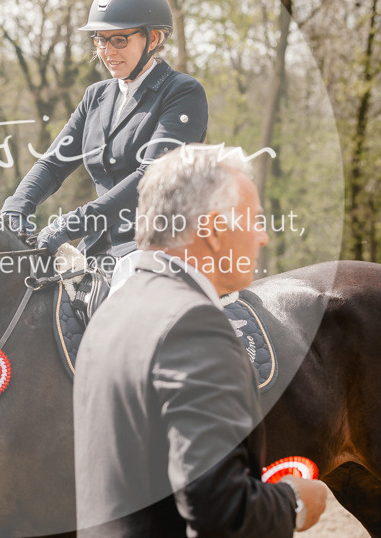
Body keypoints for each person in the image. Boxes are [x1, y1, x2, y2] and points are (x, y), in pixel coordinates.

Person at [73, 145, 328, 536]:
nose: (263, 238)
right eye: (254, 221)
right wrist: (293, 503)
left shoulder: (112, 312)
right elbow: (219, 511)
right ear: (210, 231)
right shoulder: (193, 324)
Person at [1, 0, 208, 264]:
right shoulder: (96, 96)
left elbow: (152, 178)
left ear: (154, 39)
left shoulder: (183, 92)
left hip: (160, 251)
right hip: (98, 250)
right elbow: (53, 164)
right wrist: (15, 207)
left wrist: (69, 225)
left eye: (119, 40)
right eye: (100, 39)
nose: (107, 52)